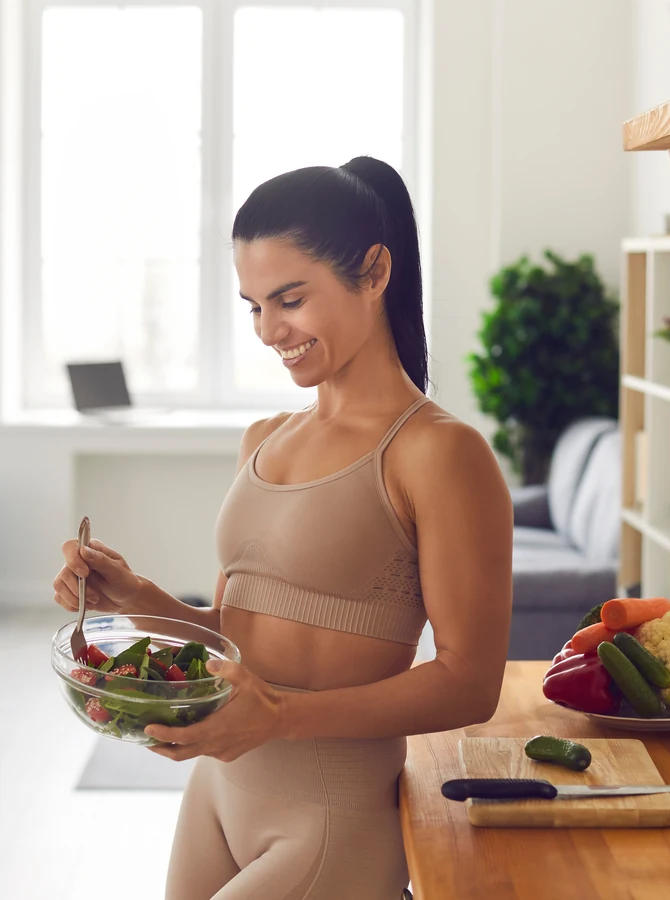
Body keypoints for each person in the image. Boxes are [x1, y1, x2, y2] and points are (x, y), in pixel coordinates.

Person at [53, 156, 514, 899]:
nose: (271, 329)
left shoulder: (438, 453)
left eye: (291, 299)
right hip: (216, 793)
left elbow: (470, 684)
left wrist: (279, 719)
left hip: (332, 820)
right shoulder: (265, 437)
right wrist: (133, 596)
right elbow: (243, 643)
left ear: (374, 272)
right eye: (254, 305)